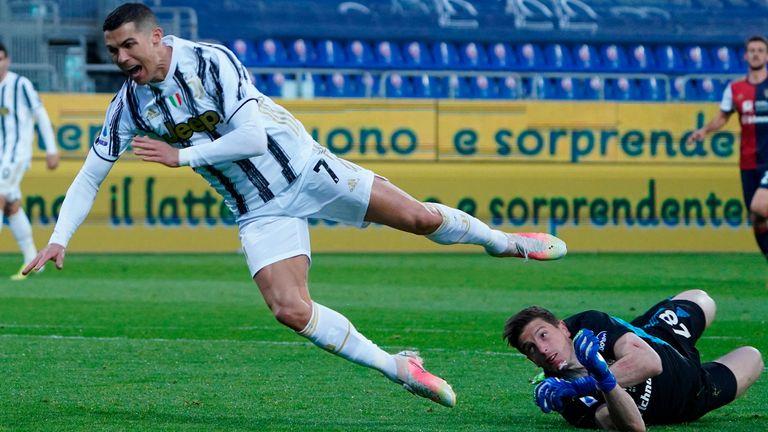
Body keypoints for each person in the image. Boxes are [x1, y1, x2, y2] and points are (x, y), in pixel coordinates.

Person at [22, 3, 567, 408]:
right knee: (289, 310)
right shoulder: (128, 106)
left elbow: (253, 139)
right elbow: (91, 174)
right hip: (259, 208)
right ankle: (399, 367)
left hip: (306, 169)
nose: (120, 59)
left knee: (420, 218)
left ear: (156, 38)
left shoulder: (210, 61)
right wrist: (59, 238)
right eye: (112, 51)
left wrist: (181, 156)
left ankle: (504, 243)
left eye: (127, 47)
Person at [503, 290, 763, 430]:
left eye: (544, 335)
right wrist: (604, 381)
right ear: (531, 360)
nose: (543, 349)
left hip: (660, 337)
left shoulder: (587, 324)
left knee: (701, 298)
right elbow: (632, 426)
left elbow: (651, 362)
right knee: (753, 357)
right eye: (531, 348)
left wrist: (584, 384)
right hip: (691, 391)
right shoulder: (562, 397)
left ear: (563, 328)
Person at [688, 35, 768, 261]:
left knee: (761, 206)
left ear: (767, 56)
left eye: (760, 50)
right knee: (756, 217)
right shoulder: (735, 88)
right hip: (748, 161)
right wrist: (704, 131)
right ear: (745, 55)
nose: (755, 54)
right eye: (752, 50)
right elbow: (723, 116)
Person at [0, 42, 59, 280]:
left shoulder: (19, 84)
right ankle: (33, 259)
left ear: (8, 60)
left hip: (15, 155)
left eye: (0, 58)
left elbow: (41, 115)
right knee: (12, 206)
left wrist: (51, 149)